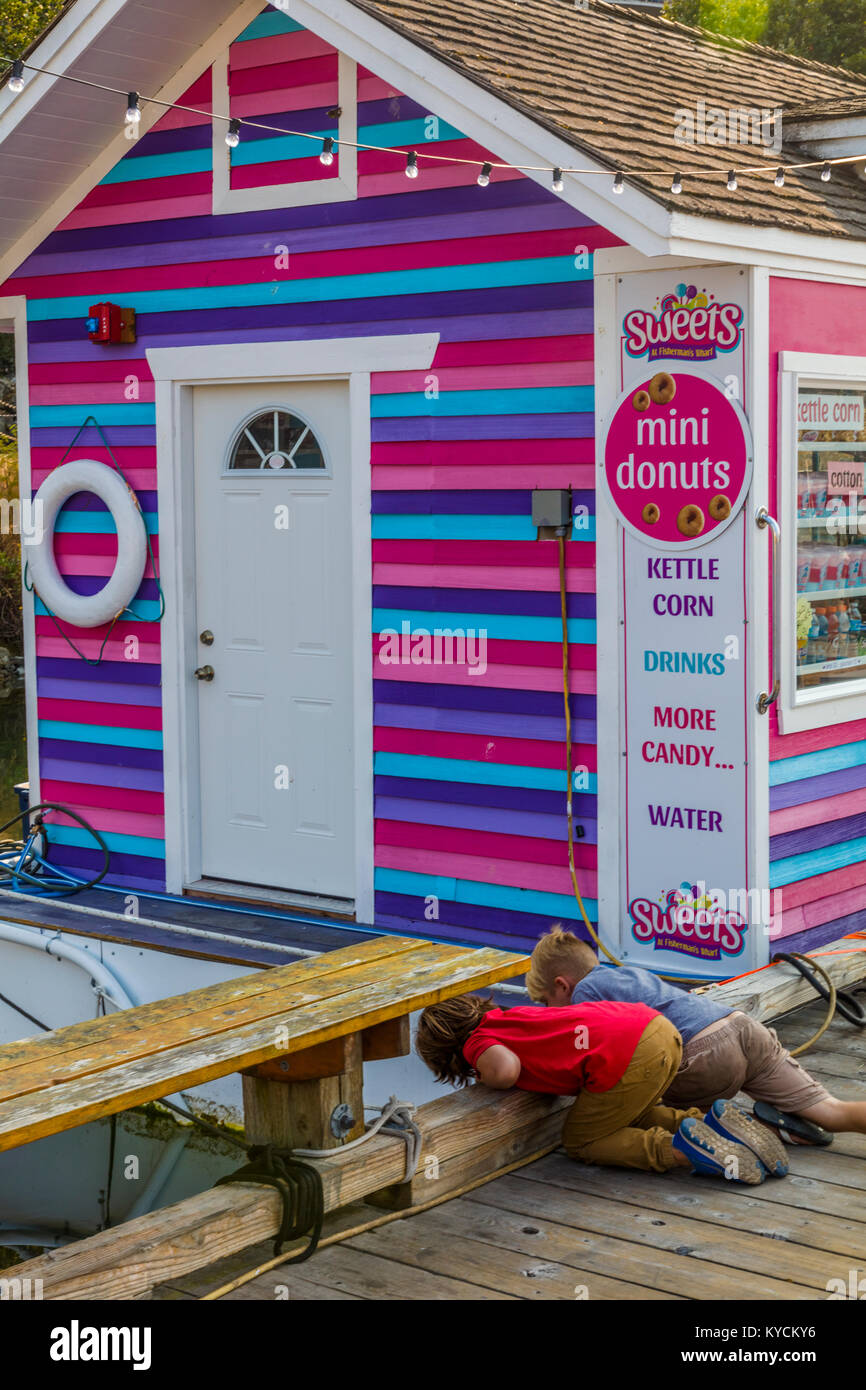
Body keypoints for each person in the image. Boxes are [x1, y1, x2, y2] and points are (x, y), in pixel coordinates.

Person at [526, 924, 866, 1145]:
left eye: (546, 1002)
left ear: (562, 984)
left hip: (701, 1054)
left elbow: (594, 1060)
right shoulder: (625, 975)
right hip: (742, 1028)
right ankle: (790, 1128)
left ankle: (763, 1130)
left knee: (650, 1116)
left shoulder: (584, 993)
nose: (548, 1011)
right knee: (834, 1112)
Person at [415, 992, 788, 1184]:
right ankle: (712, 1126)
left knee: (581, 1141)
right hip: (655, 1029)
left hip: (628, 1054)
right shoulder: (509, 1017)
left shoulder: (477, 1041)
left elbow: (506, 1070)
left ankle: (684, 1151)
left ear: (445, 1050)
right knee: (634, 1114)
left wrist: (483, 1075)